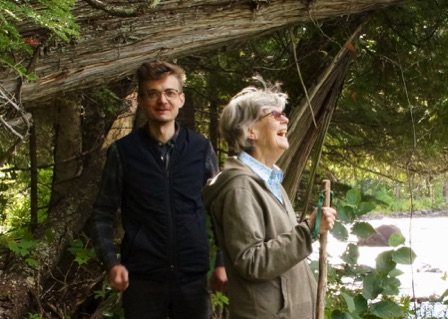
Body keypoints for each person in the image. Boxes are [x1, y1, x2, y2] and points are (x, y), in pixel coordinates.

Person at [92, 60, 227, 319]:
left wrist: (221, 261)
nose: (162, 100)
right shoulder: (123, 152)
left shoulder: (201, 149)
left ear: (181, 99)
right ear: (141, 100)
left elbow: (221, 210)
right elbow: (102, 213)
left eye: (169, 92)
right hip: (143, 279)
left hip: (192, 277)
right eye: (152, 93)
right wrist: (112, 263)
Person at [202, 78, 337, 319]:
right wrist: (308, 229)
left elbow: (283, 255)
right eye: (274, 114)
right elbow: (250, 261)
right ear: (250, 131)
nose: (285, 119)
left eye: (283, 113)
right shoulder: (240, 187)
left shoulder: (270, 181)